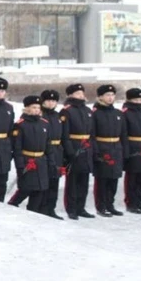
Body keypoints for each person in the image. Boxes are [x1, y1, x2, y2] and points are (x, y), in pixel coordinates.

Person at [8, 96, 55, 213]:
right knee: (26, 188)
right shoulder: (20, 125)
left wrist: (51, 162)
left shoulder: (44, 124)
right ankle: (13, 204)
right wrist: (20, 166)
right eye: (34, 107)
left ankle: (33, 213)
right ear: (27, 108)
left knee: (40, 189)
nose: (37, 110)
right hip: (27, 161)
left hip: (41, 161)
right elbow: (17, 148)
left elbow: (48, 146)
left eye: (38, 108)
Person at [91, 84, 127, 217]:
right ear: (100, 97)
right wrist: (96, 152)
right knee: (102, 180)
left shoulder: (118, 113)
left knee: (113, 179)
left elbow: (123, 134)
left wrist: (124, 151)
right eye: (107, 95)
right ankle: (101, 206)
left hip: (116, 149)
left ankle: (110, 205)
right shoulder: (95, 114)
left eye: (112, 95)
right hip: (103, 148)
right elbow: (92, 135)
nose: (110, 97)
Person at [61, 84, 95, 220]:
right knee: (73, 182)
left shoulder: (88, 110)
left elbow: (92, 132)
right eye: (77, 93)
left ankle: (81, 207)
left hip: (86, 148)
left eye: (81, 93)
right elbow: (65, 134)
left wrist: (92, 148)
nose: (80, 95)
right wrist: (70, 152)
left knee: (84, 181)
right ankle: (71, 209)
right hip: (74, 147)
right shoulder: (67, 111)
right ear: (70, 95)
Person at [122, 87, 141, 214]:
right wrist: (126, 151)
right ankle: (131, 202)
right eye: (136, 99)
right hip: (133, 146)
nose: (139, 101)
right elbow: (124, 134)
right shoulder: (126, 113)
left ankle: (139, 201)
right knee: (132, 177)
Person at [39, 90, 66, 219]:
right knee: (44, 182)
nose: (51, 103)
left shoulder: (58, 116)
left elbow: (63, 135)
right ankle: (41, 208)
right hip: (44, 151)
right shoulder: (39, 114)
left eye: (54, 101)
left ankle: (51, 209)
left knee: (55, 181)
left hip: (57, 151)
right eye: (48, 100)